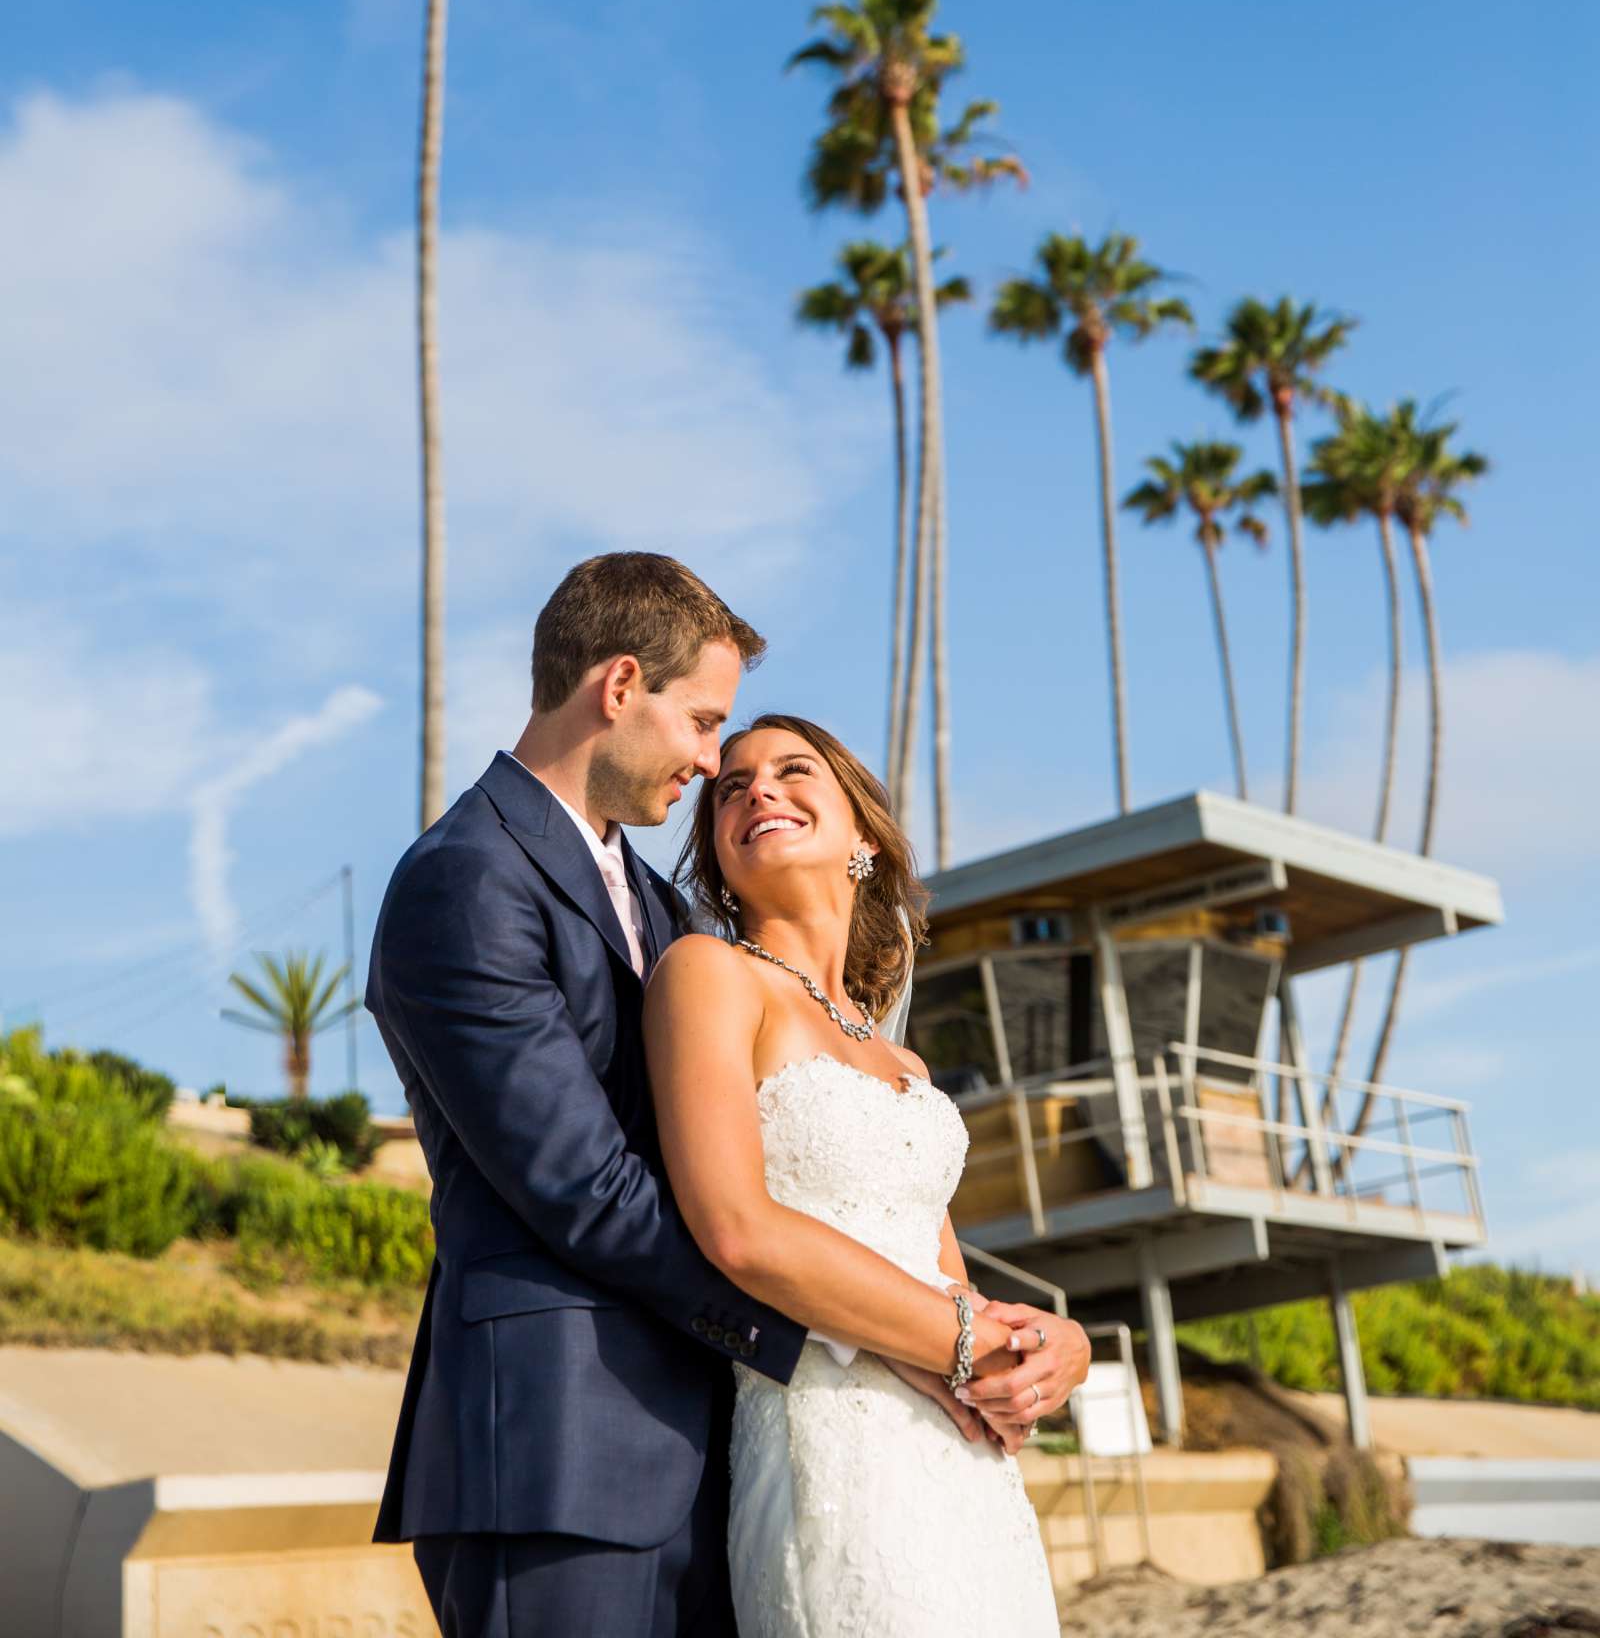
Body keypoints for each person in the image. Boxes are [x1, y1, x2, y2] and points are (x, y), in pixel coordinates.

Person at [367, 552, 1087, 1638]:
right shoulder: (466, 879)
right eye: (706, 725)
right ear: (619, 689)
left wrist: (1019, 1340)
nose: (715, 765)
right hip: (562, 1445)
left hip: (731, 1442)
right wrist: (892, 1339)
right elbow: (587, 1188)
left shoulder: (666, 918)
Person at [648, 710, 1072, 1636]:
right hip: (833, 1449)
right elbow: (737, 1229)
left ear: (864, 839)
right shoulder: (708, 976)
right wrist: (958, 1343)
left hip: (967, 1475)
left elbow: (948, 1280)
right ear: (718, 854)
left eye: (793, 771)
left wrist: (1049, 1355)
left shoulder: (904, 1067)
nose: (757, 788)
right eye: (730, 786)